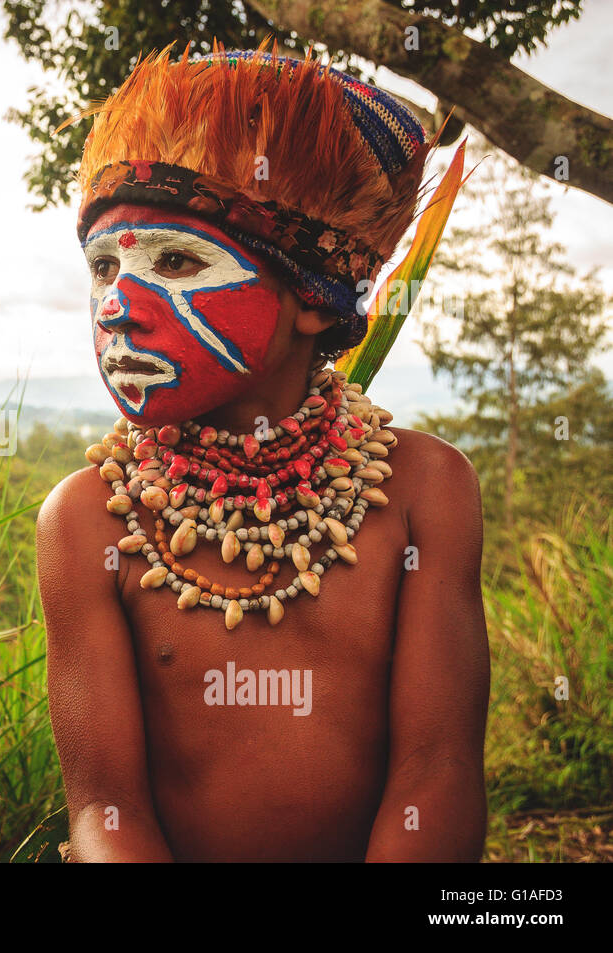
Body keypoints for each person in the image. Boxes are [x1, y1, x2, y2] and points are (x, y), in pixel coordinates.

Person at [37, 44, 489, 862]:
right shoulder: (88, 519)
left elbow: (439, 770)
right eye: (103, 268)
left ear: (313, 297)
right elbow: (104, 810)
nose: (117, 308)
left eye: (175, 261)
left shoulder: (424, 488)